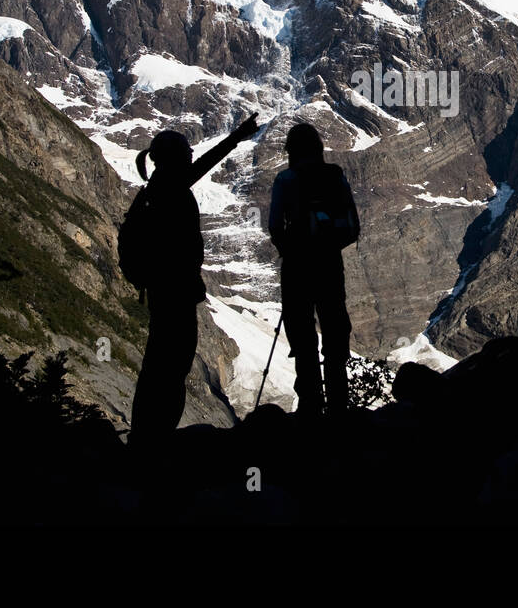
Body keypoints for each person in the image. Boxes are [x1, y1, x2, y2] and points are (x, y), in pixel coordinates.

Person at [128, 113, 260, 449]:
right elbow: (202, 165)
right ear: (172, 157)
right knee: (170, 365)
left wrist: (237, 137)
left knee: (160, 363)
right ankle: (155, 439)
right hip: (175, 292)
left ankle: (147, 436)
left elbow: (198, 165)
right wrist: (237, 137)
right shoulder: (169, 187)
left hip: (165, 291)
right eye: (184, 151)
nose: (189, 155)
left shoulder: (158, 188)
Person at [268, 123, 360, 419]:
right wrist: (328, 245)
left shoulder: (285, 180)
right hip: (330, 264)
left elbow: (274, 226)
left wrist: (290, 249)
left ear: (291, 151)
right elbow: (351, 226)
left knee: (302, 333)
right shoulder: (335, 176)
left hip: (297, 268)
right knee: (334, 329)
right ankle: (338, 405)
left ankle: (310, 405)